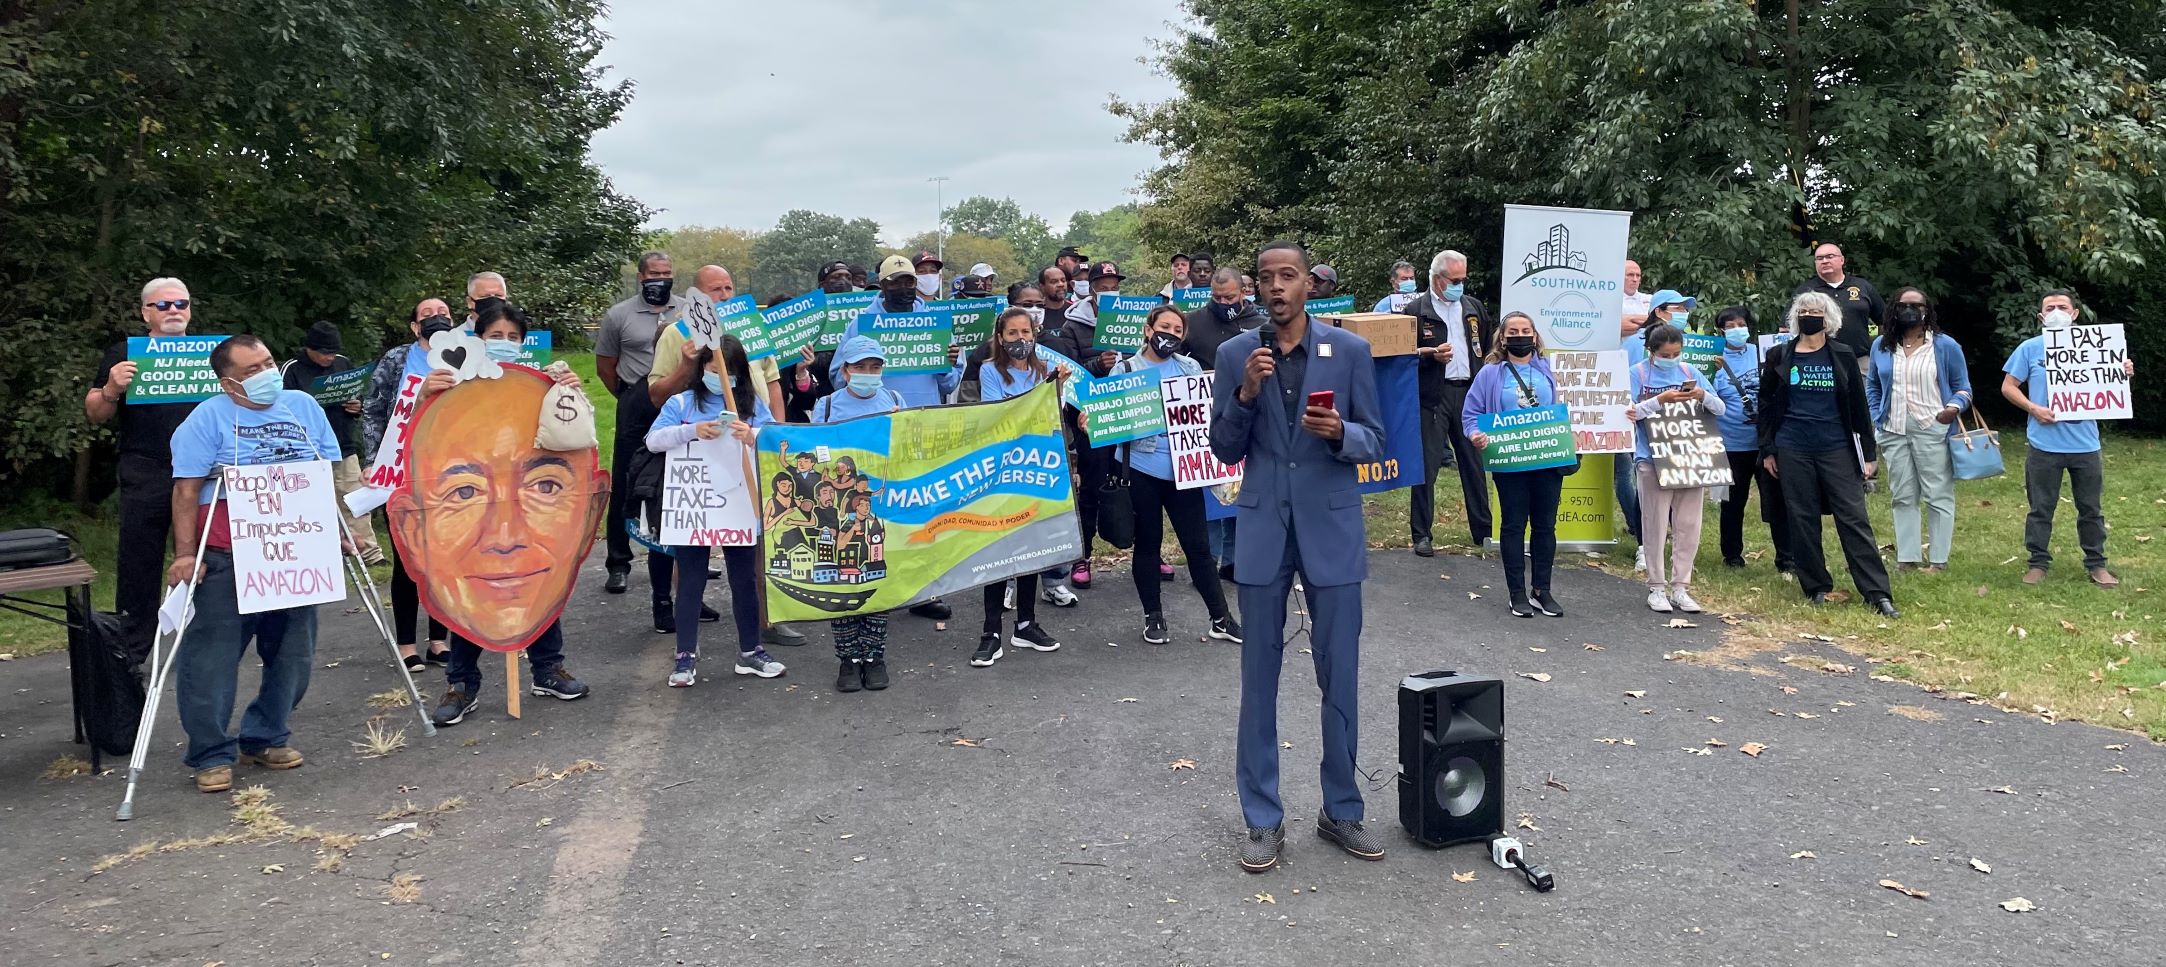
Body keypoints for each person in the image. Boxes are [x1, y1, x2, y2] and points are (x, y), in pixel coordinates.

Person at [1209, 241, 1387, 874]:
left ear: (1309, 284)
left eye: (1288, 276)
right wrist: (1247, 395)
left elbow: (1375, 438)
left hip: (1331, 529)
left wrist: (1342, 435)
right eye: (1266, 277)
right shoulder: (1236, 355)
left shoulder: (1351, 351)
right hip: (1261, 529)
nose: (1276, 286)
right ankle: (1262, 818)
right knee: (1258, 678)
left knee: (1340, 673)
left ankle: (1342, 810)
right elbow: (1223, 449)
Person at [165, 334, 344, 793]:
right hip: (227, 550)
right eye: (251, 371)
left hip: (296, 548)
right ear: (228, 383)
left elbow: (325, 475)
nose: (266, 375)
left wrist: (340, 530)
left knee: (293, 651)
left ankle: (266, 735)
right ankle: (209, 752)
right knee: (212, 657)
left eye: (268, 363)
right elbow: (186, 490)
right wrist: (186, 554)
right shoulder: (206, 419)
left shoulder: (303, 406)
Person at [405, 304, 598, 725]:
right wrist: (425, 398)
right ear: (477, 336)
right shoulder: (448, 383)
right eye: (496, 335)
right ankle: (461, 682)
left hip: (525, 506)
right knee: (469, 595)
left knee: (538, 583)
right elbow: (408, 441)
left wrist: (568, 393)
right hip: (476, 513)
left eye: (514, 337)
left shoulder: (540, 384)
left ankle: (548, 669)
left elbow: (577, 435)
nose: (505, 344)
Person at [645, 337, 787, 687]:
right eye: (713, 370)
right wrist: (691, 430)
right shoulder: (681, 402)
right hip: (695, 504)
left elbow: (775, 438)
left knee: (744, 579)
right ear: (701, 369)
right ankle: (684, 656)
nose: (721, 377)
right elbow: (653, 440)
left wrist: (752, 434)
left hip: (739, 503)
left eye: (730, 371)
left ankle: (751, 651)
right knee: (691, 579)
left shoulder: (750, 406)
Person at [1758, 293, 1898, 617]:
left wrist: (1868, 452)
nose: (1810, 315)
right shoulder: (1779, 355)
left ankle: (1877, 593)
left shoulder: (1842, 355)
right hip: (1793, 446)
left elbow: (1858, 407)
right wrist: (1768, 449)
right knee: (1802, 518)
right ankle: (1816, 586)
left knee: (1854, 518)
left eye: (1816, 311)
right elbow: (1766, 405)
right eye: (1804, 311)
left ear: (1828, 317)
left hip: (1835, 446)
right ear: (1796, 317)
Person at [87, 277, 211, 644]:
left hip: (204, 470)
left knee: (209, 556)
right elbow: (95, 412)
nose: (174, 311)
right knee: (140, 560)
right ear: (145, 313)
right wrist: (111, 389)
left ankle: (205, 638)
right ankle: (135, 646)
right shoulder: (126, 350)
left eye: (181, 304)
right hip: (146, 466)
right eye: (163, 305)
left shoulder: (210, 354)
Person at [1112, 306, 1244, 645]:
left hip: (1184, 471)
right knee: (1148, 544)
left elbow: (1203, 415)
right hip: (1141, 468)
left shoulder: (1190, 367)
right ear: (1147, 330)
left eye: (1176, 329)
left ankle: (1221, 618)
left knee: (1198, 547)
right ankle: (1153, 616)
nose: (1169, 334)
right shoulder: (1125, 369)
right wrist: (1092, 423)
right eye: (1163, 326)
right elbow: (1108, 420)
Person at [2000, 289, 2134, 588]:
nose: (2056, 311)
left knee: (2091, 509)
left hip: (2086, 444)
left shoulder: (2098, 347)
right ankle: (2037, 562)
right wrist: (2033, 408)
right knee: (2040, 508)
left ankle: (2097, 564)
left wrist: (2123, 371)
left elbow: (2111, 385)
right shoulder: (2030, 349)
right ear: (2041, 316)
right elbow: (2008, 386)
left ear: (2074, 314)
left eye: (2062, 307)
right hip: (2043, 445)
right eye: (2050, 308)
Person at [969, 308, 1073, 666]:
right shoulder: (989, 371)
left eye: (1024, 332)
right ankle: (991, 632)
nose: (1019, 339)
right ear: (1000, 338)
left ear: (1035, 333)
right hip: (1003, 472)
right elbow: (999, 415)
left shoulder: (1046, 372)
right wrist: (1042, 397)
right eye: (1011, 333)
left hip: (1038, 470)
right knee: (999, 551)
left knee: (1033, 549)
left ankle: (1026, 624)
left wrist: (1056, 390)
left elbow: (1052, 417)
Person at [364, 300, 454, 669]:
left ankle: (438, 640)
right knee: (406, 556)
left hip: (449, 469)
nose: (436, 317)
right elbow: (373, 408)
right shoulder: (396, 359)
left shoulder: (466, 353)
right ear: (415, 327)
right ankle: (406, 644)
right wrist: (371, 460)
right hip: (401, 468)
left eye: (443, 312)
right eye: (427, 313)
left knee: (443, 557)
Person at [816, 337, 910, 692]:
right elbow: (816, 457)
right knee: (842, 586)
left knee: (875, 583)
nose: (868, 374)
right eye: (859, 367)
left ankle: (875, 656)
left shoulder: (897, 401)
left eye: (875, 367)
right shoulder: (826, 406)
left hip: (880, 512)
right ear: (845, 371)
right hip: (839, 517)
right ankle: (847, 660)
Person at [1461, 312, 1568, 618]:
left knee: (1546, 526)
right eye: (1514, 331)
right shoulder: (1491, 374)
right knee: (1513, 526)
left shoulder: (1549, 370)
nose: (1520, 335)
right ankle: (1517, 592)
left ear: (1535, 337)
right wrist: (1476, 435)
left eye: (1526, 330)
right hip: (1509, 460)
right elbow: (1470, 414)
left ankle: (1542, 590)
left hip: (1547, 459)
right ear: (1503, 338)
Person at [595, 250, 688, 595]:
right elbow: (605, 365)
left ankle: (685, 556)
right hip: (637, 397)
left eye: (667, 272)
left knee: (680, 478)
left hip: (679, 398)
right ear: (641, 276)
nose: (661, 279)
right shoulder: (618, 315)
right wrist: (627, 395)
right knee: (626, 478)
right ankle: (618, 562)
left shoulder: (687, 310)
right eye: (654, 274)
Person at [1628, 322, 1736, 614]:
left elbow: (1720, 408)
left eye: (1677, 352)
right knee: (1655, 523)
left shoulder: (1691, 372)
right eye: (1665, 353)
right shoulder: (1637, 374)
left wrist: (1701, 395)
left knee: (1689, 524)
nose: (1672, 358)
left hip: (1691, 457)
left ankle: (1681, 586)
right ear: (1652, 352)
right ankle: (1656, 586)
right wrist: (1658, 400)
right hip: (1652, 458)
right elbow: (1628, 412)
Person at [1865, 288, 1971, 572]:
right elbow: (1873, 384)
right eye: (1903, 305)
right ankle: (1908, 558)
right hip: (1893, 427)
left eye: (1917, 305)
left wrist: (1952, 409)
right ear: (1893, 310)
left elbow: (1964, 387)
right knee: (1902, 494)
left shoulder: (1945, 345)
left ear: (1927, 310)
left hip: (1932, 426)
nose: (1910, 310)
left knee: (1937, 493)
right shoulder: (1882, 346)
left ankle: (1939, 560)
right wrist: (1877, 416)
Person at [1040, 261, 1127, 593]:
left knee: (1134, 486)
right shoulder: (1072, 326)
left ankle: (1143, 551)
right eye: (1102, 286)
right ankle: (1083, 555)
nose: (1108, 291)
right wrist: (1097, 364)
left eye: (1113, 286)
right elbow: (1070, 371)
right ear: (1089, 288)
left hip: (1130, 413)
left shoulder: (1133, 321)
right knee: (1091, 486)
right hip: (1092, 418)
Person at [1405, 249, 1496, 557]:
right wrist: (1429, 354)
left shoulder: (1472, 307)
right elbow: (1401, 355)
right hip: (1433, 393)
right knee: (1427, 466)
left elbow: (1482, 344)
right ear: (1437, 278)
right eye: (1455, 280)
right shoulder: (1416, 310)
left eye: (1463, 279)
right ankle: (1421, 533)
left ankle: (1482, 532)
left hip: (1469, 392)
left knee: (1474, 463)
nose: (1460, 285)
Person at [282, 320, 384, 565]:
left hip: (343, 444)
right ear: (310, 348)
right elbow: (281, 408)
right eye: (324, 353)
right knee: (316, 503)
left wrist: (356, 406)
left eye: (332, 352)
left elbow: (357, 395)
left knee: (356, 498)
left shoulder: (343, 363)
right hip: (309, 451)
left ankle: (370, 553)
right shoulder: (291, 369)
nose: (329, 358)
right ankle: (325, 553)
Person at [1711, 306, 1793, 573]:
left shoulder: (1765, 354)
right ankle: (1732, 554)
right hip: (1731, 443)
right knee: (1733, 502)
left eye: (1741, 323)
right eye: (1730, 325)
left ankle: (1786, 557)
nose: (1737, 329)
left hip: (1766, 442)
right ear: (1721, 330)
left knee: (1777, 502)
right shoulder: (1713, 360)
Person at [829, 254, 961, 409]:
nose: (903, 288)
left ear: (915, 283)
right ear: (882, 285)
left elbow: (950, 385)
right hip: (876, 418)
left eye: (909, 282)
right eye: (895, 283)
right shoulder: (862, 324)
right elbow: (838, 379)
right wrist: (859, 375)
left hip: (924, 417)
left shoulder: (935, 325)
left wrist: (945, 367)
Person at [1793, 243, 1883, 372]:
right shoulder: (1806, 291)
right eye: (1820, 258)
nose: (1825, 261)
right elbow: (1786, 328)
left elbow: (1884, 321)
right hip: (1819, 362)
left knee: (1863, 392)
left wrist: (1881, 350)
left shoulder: (1862, 286)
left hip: (1859, 360)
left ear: (1842, 260)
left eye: (1830, 256)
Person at [1184, 267, 1264, 370]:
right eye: (1217, 297)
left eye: (1229, 298)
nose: (1222, 303)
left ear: (1243, 293)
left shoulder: (1261, 325)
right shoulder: (1192, 321)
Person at [1621, 260, 1651, 335]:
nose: (1635, 279)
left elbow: (1661, 322)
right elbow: (1614, 327)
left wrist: (1628, 320)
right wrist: (1649, 324)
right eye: (1630, 275)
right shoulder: (1610, 300)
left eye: (1638, 275)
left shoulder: (1650, 299)